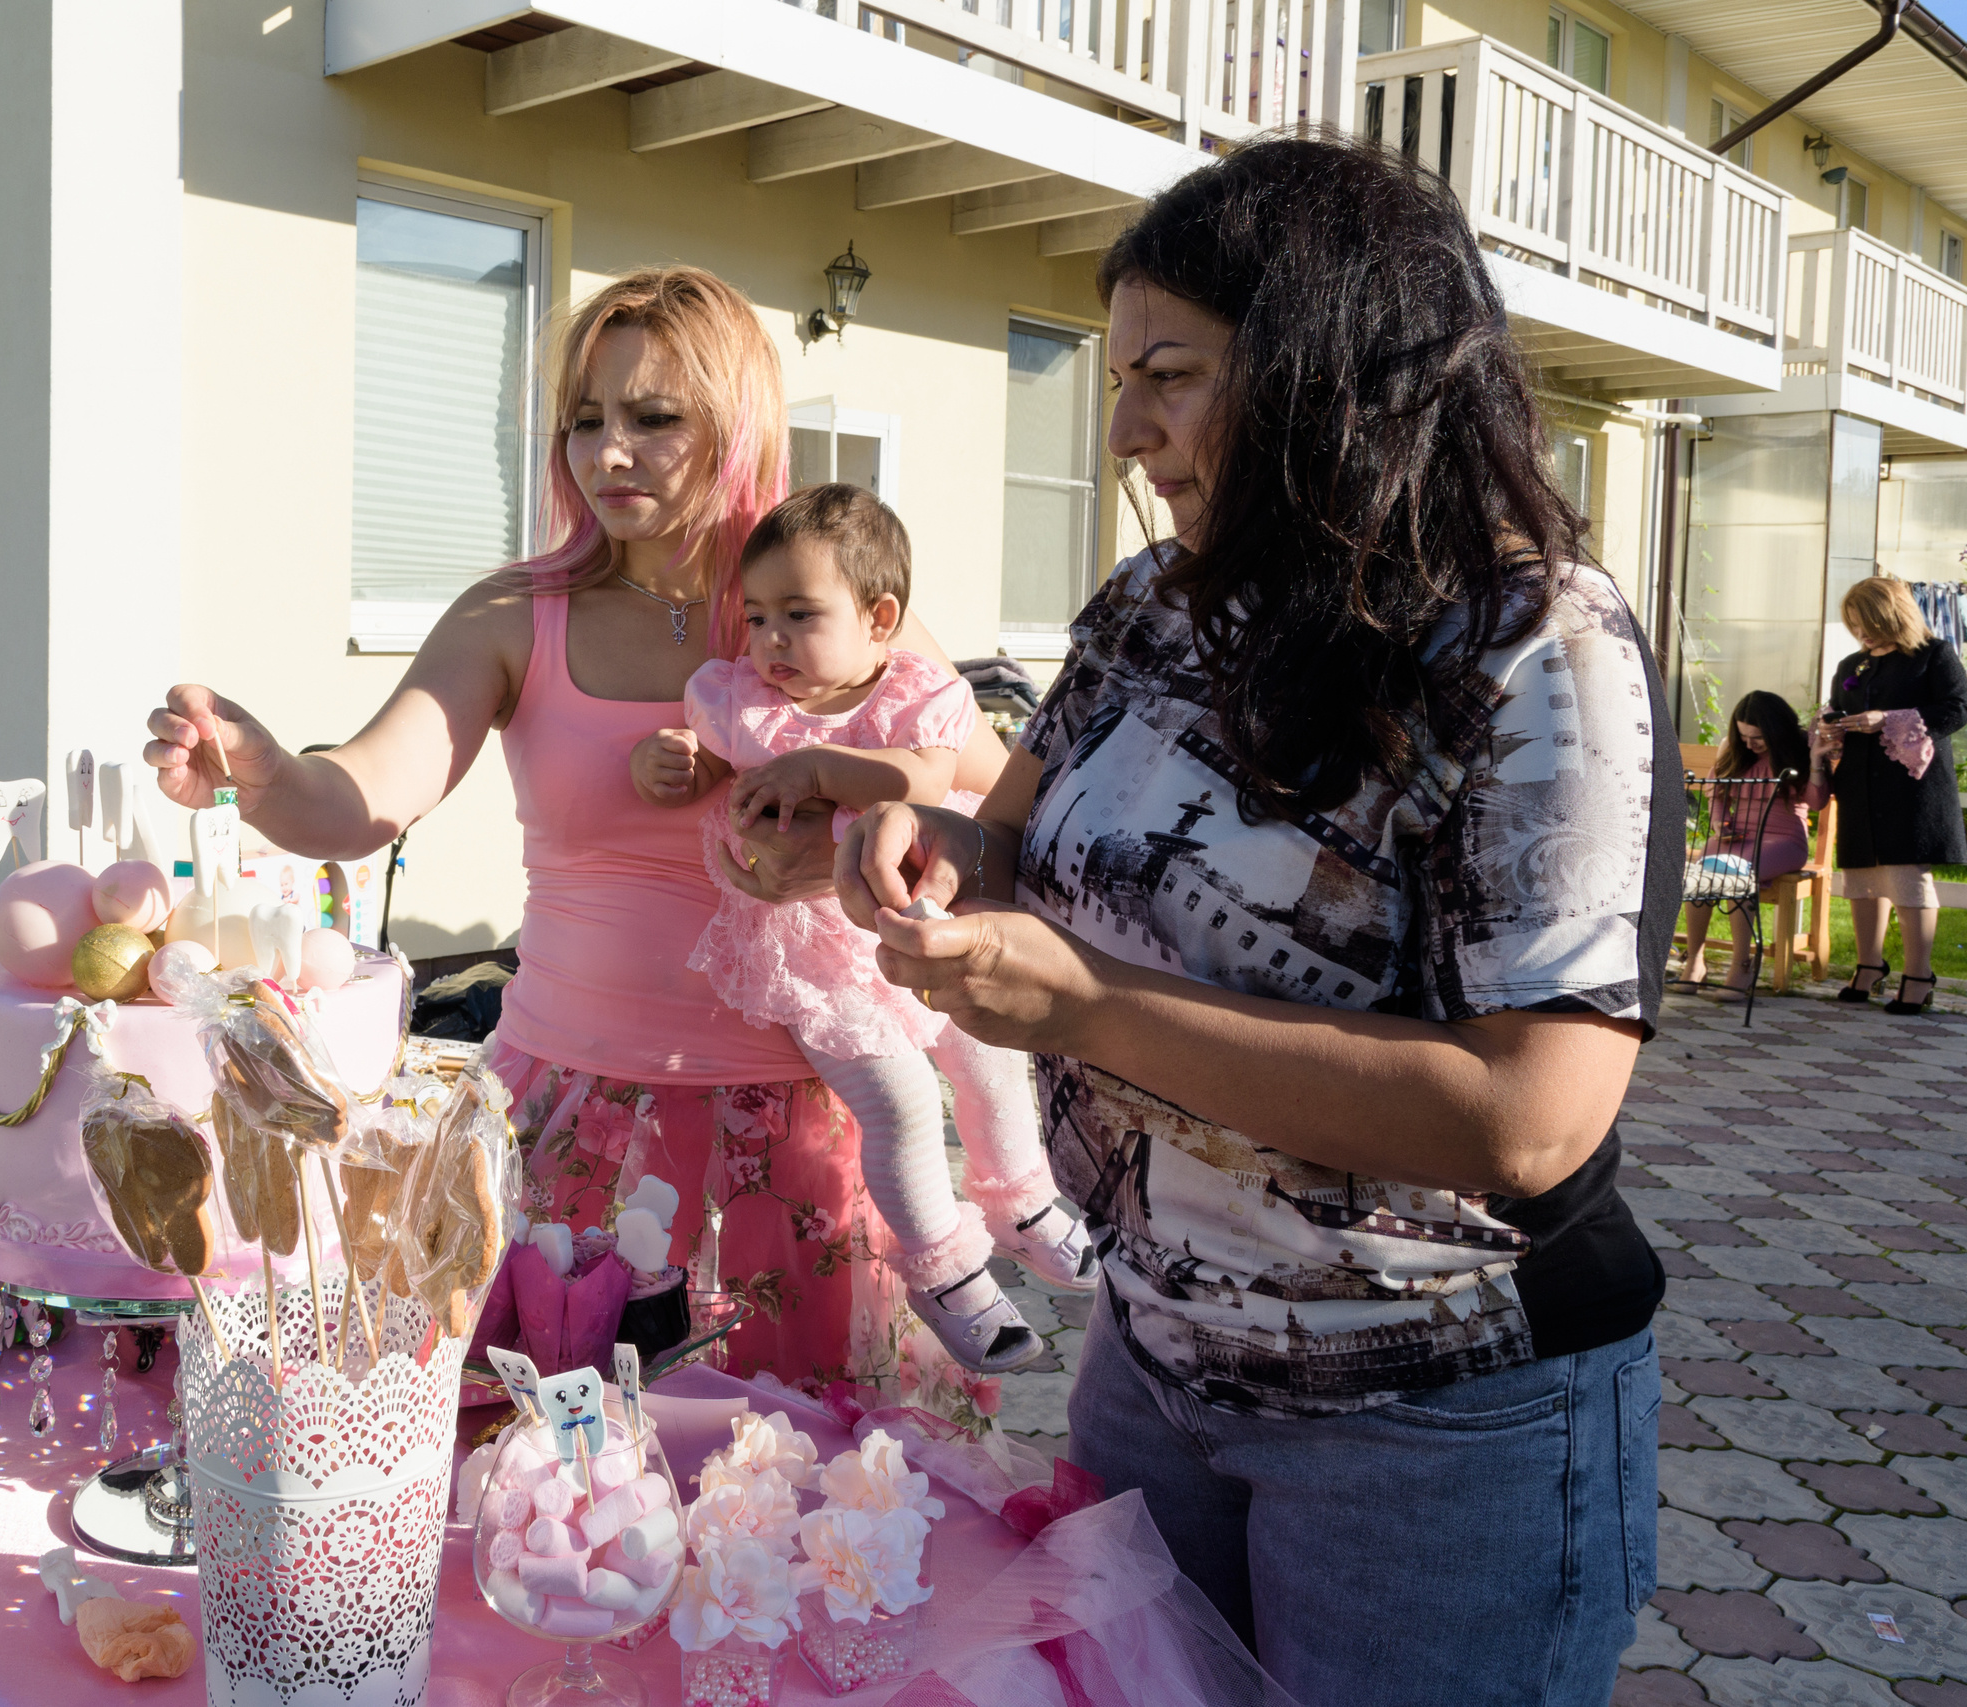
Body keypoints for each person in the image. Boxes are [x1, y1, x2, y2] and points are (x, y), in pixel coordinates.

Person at [836, 135, 1681, 1707]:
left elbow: (1531, 1114)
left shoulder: (1529, 642)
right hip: (1154, 1351)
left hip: (1434, 1417)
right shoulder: (1155, 602)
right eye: (1120, 380)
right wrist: (926, 849)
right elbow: (1008, 832)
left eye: (1169, 376)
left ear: (1330, 372)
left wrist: (1086, 1004)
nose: (1123, 430)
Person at [143, 266, 1010, 1394]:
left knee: (788, 1468)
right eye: (586, 421)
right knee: (549, 1460)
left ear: (736, 426)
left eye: (653, 418)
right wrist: (265, 773)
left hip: (797, 1124)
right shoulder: (516, 612)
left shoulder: (831, 611)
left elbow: (1003, 809)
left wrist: (877, 831)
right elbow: (362, 797)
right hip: (569, 1117)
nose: (609, 453)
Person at [631, 482, 1094, 1374]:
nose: (770, 640)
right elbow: (714, 775)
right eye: (757, 617)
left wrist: (816, 766)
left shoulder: (915, 694)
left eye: (799, 615)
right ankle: (946, 1273)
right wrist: (670, 764)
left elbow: (923, 781)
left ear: (880, 618)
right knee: (901, 1100)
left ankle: (1021, 1199)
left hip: (919, 922)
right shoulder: (739, 702)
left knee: (989, 1052)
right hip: (814, 956)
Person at [1817, 577, 1965, 1017]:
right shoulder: (1852, 664)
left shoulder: (1934, 655)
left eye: (1869, 622)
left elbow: (1958, 708)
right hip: (1859, 784)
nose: (1861, 632)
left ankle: (1919, 975)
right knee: (1860, 878)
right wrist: (1830, 723)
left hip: (1912, 789)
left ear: (1894, 615)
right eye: (1854, 623)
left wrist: (1889, 719)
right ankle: (1869, 965)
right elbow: (1836, 707)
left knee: (1906, 877)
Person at [1676, 689, 1825, 993]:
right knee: (1702, 874)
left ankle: (1742, 964)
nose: (1749, 744)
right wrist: (1719, 822)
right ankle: (1695, 961)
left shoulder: (1801, 747)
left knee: (1737, 873)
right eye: (1743, 736)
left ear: (1776, 730)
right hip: (1736, 836)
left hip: (1784, 839)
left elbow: (1817, 802)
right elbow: (1717, 792)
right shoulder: (1735, 749)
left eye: (1757, 738)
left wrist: (1816, 761)